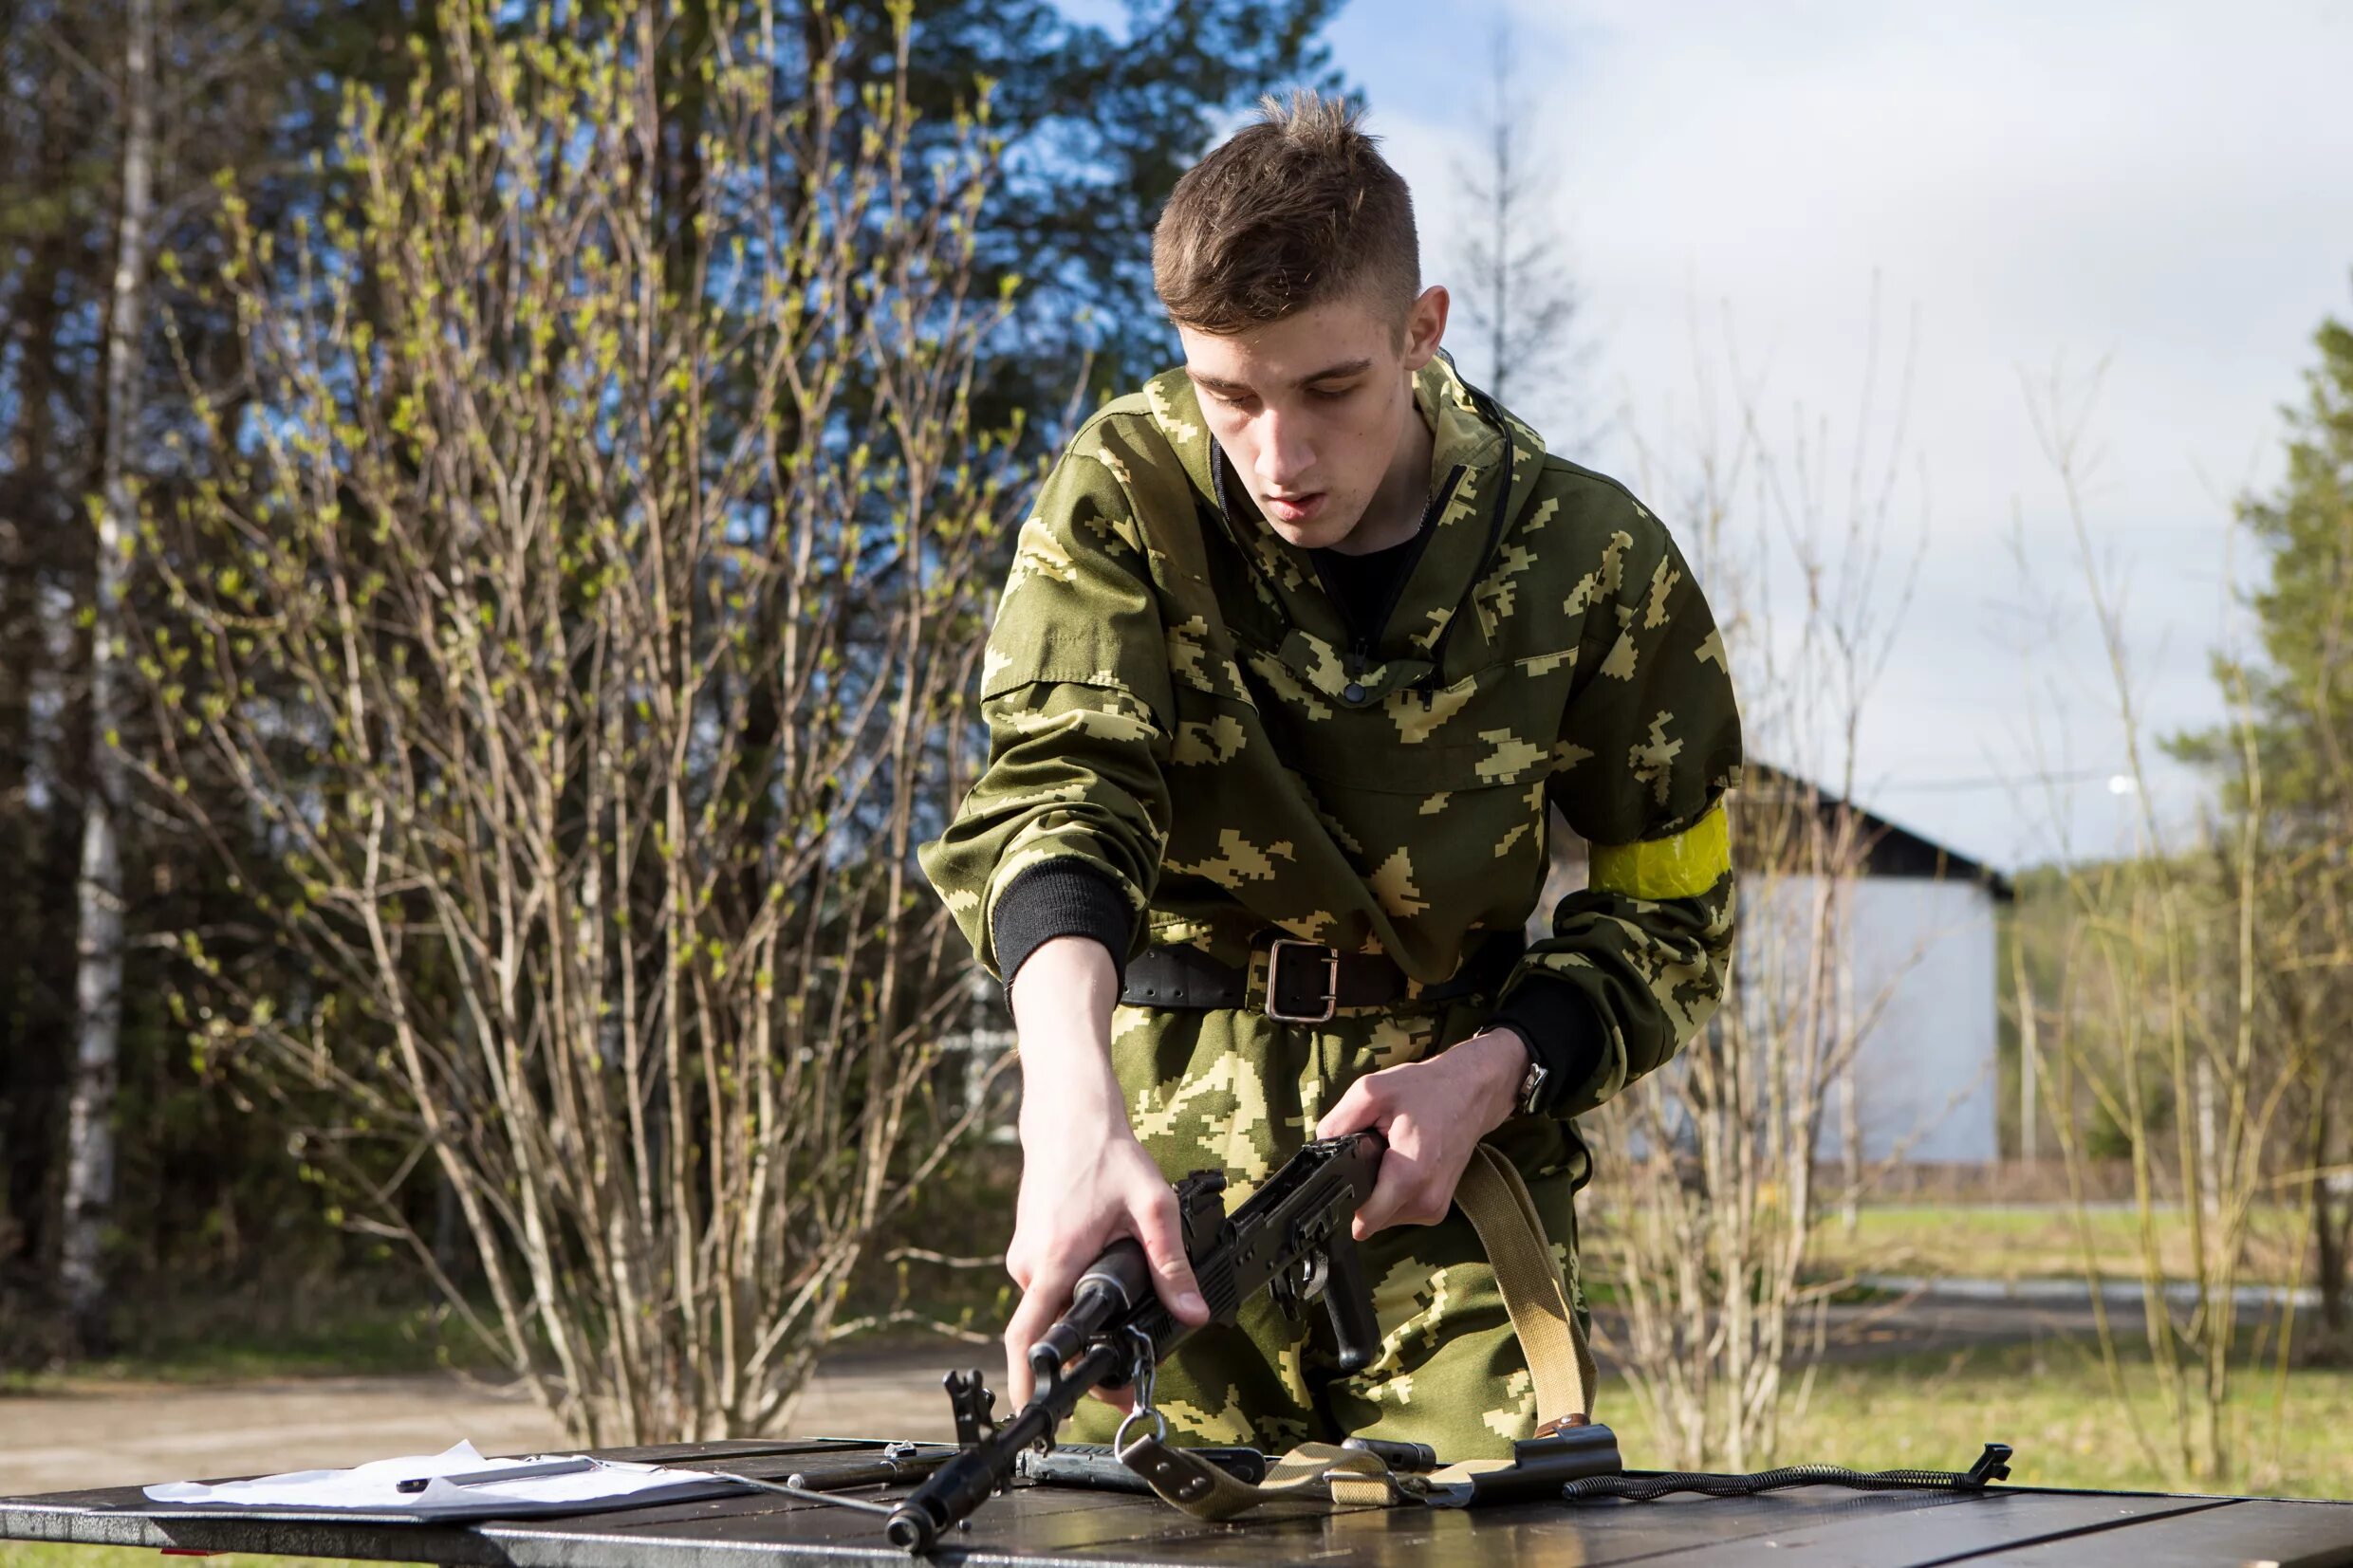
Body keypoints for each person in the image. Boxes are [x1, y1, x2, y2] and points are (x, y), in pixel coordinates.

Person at [917, 89, 1743, 1458]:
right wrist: (1068, 1102)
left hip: (1451, 1184)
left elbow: (1671, 912)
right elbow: (1062, 793)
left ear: (1423, 330)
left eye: (1330, 389)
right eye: (1226, 394)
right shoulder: (1128, 493)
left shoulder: (1592, 560)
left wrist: (1499, 1068)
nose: (1278, 458)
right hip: (1163, 1194)